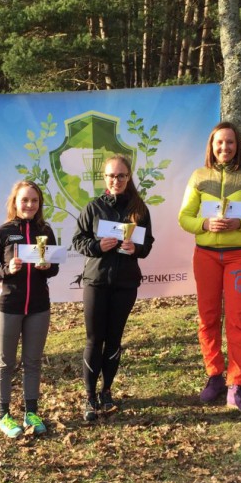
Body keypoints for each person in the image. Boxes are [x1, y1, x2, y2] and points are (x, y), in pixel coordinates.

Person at [177, 121, 241, 414]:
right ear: (211, 145)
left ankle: (237, 385)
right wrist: (205, 224)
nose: (225, 148)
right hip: (205, 256)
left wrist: (240, 224)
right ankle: (214, 376)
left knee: (237, 320)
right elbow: (185, 217)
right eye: (219, 142)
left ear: (238, 145)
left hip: (239, 257)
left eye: (230, 142)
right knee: (207, 319)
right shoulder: (199, 176)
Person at [71, 155, 154, 422]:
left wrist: (135, 249)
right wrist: (97, 247)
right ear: (104, 178)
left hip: (126, 284)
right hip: (96, 282)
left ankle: (107, 392)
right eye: (110, 176)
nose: (115, 180)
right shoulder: (93, 207)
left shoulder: (139, 209)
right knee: (95, 339)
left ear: (128, 177)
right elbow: (78, 240)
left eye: (120, 176)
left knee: (114, 339)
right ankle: (89, 396)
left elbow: (147, 245)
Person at [0, 181, 60, 438]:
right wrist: (7, 270)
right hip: (8, 306)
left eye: (34, 201)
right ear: (14, 202)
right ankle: (4, 415)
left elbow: (55, 266)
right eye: (24, 200)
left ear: (39, 204)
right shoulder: (2, 233)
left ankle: (31, 412)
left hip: (38, 306)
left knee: (33, 362)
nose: (29, 205)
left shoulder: (45, 231)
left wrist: (48, 267)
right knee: (5, 363)